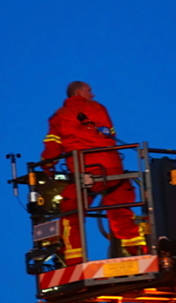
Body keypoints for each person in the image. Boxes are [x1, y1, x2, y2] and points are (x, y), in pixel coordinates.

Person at [41, 81, 146, 266]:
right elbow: (110, 135)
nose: (93, 94)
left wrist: (47, 166)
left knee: (71, 215)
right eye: (90, 90)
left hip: (84, 172)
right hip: (113, 170)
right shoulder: (99, 108)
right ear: (79, 91)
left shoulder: (59, 116)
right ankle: (140, 251)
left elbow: (53, 146)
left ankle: (74, 263)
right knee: (122, 213)